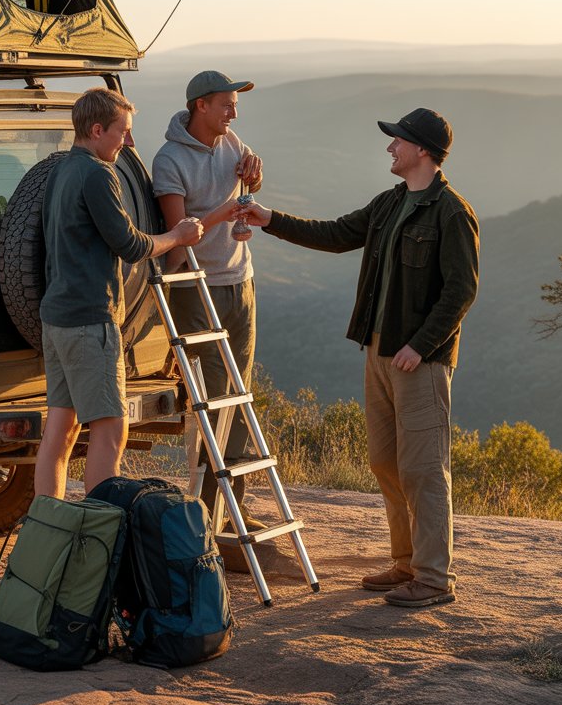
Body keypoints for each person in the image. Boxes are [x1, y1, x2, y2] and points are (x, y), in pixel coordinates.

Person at [241, 108, 479, 607]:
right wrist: (269, 220)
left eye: (398, 141)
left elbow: (461, 290)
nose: (390, 148)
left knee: (424, 469)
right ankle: (406, 563)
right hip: (379, 352)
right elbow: (336, 234)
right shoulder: (390, 203)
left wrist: (421, 344)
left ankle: (434, 579)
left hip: (421, 361)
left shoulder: (452, 213)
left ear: (423, 151)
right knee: (385, 461)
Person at [34, 88, 204, 499]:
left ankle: (47, 525)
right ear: (96, 130)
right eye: (123, 132)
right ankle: (98, 537)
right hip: (91, 319)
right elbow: (131, 245)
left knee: (62, 428)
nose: (128, 142)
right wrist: (177, 236)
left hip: (56, 318)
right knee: (111, 430)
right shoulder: (97, 173)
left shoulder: (60, 170)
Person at [152, 70, 263, 525]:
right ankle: (211, 515)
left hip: (241, 282)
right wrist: (220, 214)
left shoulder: (232, 143)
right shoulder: (169, 161)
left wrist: (255, 175)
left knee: (239, 396)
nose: (234, 112)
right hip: (197, 288)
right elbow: (179, 240)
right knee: (216, 399)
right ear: (201, 106)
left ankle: (230, 508)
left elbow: (246, 189)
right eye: (226, 104)